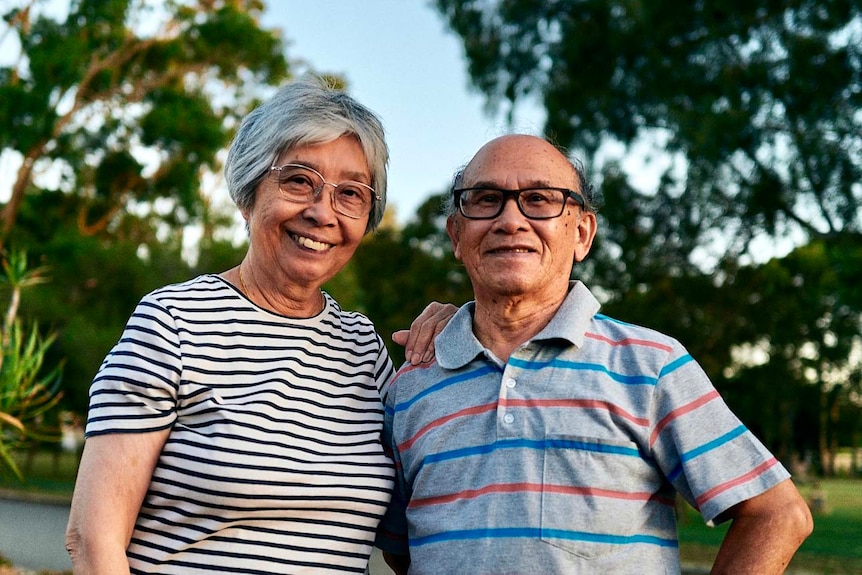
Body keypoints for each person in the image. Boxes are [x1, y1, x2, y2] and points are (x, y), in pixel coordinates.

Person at [65, 76, 453, 574]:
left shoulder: (364, 348)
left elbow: (412, 529)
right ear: (249, 194)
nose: (322, 213)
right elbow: (92, 539)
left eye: (350, 194)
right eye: (298, 181)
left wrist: (465, 326)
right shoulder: (173, 324)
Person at [375, 134, 813, 574]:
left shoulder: (650, 366)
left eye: (540, 199)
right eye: (486, 199)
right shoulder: (410, 385)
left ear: (582, 233)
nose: (510, 219)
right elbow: (403, 547)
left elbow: (777, 514)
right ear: (456, 233)